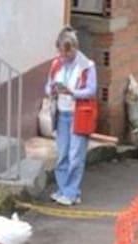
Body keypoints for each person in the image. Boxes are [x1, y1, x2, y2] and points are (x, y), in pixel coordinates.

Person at [46, 27, 98, 206]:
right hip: (61, 113)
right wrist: (53, 89)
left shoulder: (87, 66)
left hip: (78, 114)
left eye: (67, 54)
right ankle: (63, 190)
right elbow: (47, 86)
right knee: (62, 155)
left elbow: (91, 90)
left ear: (74, 49)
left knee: (76, 155)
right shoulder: (56, 64)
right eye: (61, 53)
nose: (64, 57)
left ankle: (71, 192)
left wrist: (72, 92)